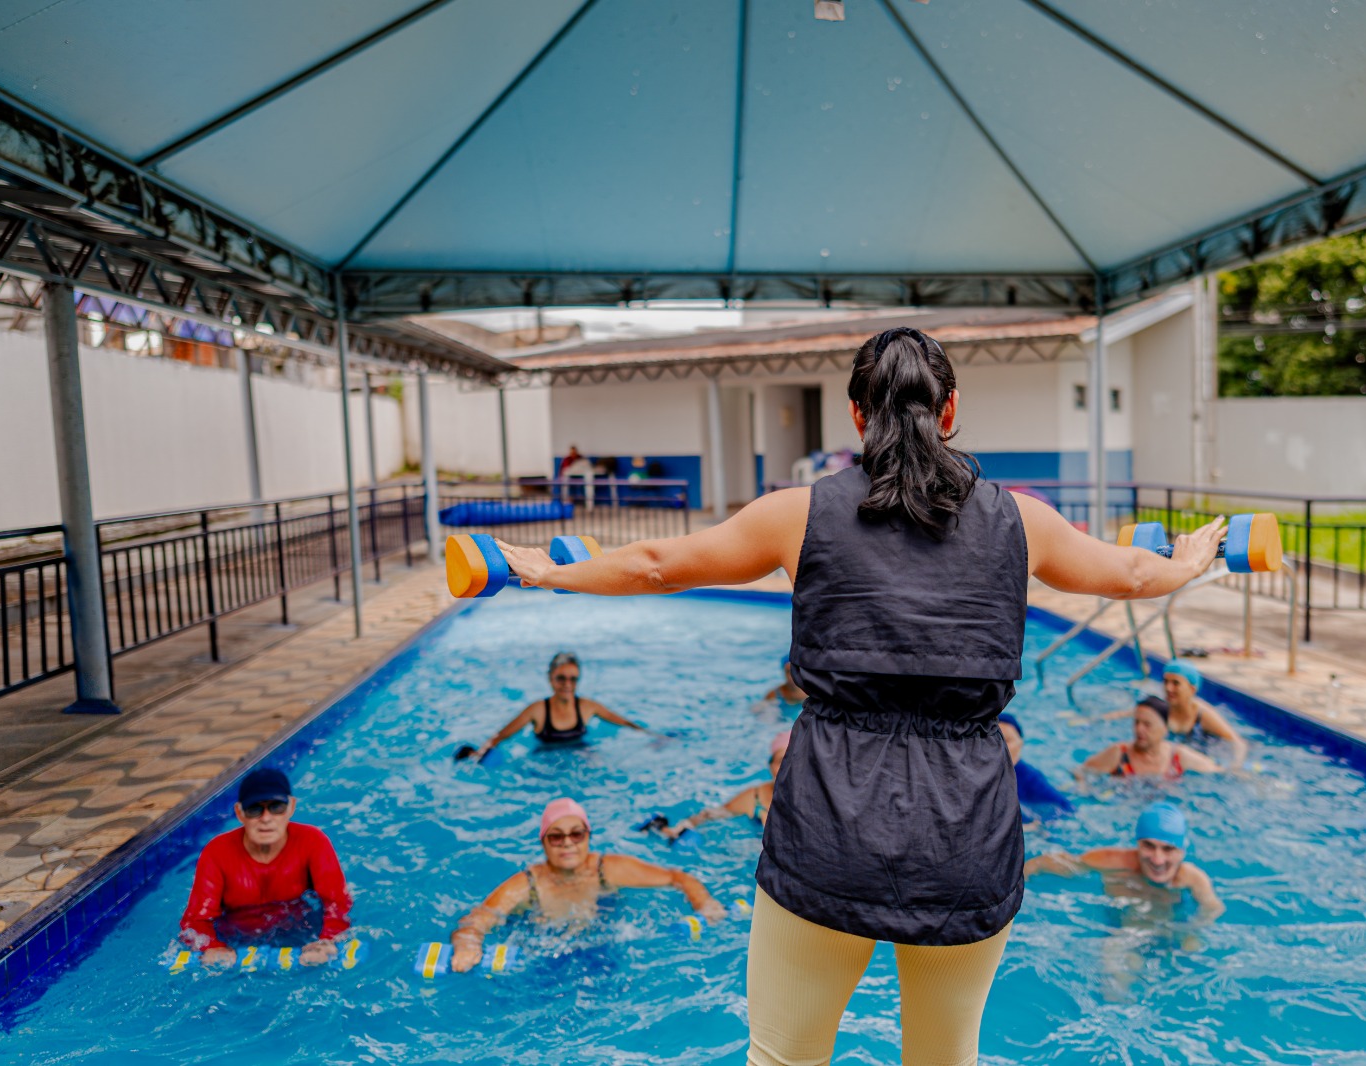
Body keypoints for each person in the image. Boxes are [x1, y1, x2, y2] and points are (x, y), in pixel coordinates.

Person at [488, 326, 1224, 1064]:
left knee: (783, 1055)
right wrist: (1189, 560)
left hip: (828, 825)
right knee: (944, 1057)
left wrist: (549, 571)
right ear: (949, 410)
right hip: (961, 834)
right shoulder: (1019, 521)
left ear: (856, 415)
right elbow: (1133, 574)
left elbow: (655, 565)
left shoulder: (797, 514)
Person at [448, 798, 725, 972]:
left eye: (576, 834)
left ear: (588, 836)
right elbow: (475, 922)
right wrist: (467, 946)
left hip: (606, 948)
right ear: (543, 842)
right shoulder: (527, 884)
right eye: (556, 837)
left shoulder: (607, 868)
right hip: (542, 958)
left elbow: (678, 877)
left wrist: (704, 904)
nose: (568, 842)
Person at [179, 767, 351, 966]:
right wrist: (212, 947)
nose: (266, 818)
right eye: (255, 809)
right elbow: (195, 921)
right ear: (239, 813)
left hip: (299, 931)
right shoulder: (216, 853)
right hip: (235, 939)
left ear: (291, 807)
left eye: (276, 807)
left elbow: (338, 903)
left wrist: (327, 940)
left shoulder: (313, 842)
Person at [1024, 801, 1224, 923]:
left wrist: (1188, 932)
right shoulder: (1112, 860)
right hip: (1124, 926)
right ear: (1137, 843)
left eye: (1168, 849)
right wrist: (1022, 873)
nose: (1157, 859)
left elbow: (1212, 909)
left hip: (1171, 924)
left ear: (1182, 851)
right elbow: (1056, 862)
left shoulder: (1192, 878)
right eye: (1148, 846)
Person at [466, 652, 645, 758]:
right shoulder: (537, 710)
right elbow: (501, 735)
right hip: (546, 758)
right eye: (561, 678)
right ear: (550, 679)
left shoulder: (587, 707)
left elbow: (625, 723)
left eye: (573, 679)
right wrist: (480, 752)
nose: (567, 684)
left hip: (579, 754)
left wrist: (655, 736)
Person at [654, 733, 791, 841]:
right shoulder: (755, 798)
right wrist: (676, 829)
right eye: (780, 761)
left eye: (794, 759)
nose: (788, 767)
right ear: (770, 766)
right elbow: (710, 815)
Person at [1081, 696, 1221, 780]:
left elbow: (1217, 771)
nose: (1139, 729)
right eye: (1136, 723)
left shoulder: (1177, 756)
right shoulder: (1118, 754)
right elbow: (1080, 772)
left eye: (1147, 725)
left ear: (1164, 730)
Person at [1161, 659, 1249, 766]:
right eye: (1166, 682)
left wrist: (1236, 766)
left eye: (1176, 683)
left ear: (1192, 689)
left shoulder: (1203, 714)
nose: (1168, 688)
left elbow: (1238, 743)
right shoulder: (1160, 709)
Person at [997, 712, 1074, 823]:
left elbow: (1066, 810)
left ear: (1020, 745)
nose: (999, 747)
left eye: (1007, 740)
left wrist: (1034, 827)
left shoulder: (1030, 779)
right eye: (991, 741)